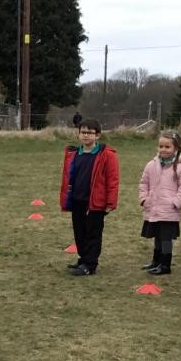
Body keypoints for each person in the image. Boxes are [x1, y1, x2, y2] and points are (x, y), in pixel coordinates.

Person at [58, 118, 120, 276]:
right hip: (77, 200)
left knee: (93, 233)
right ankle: (82, 259)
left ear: (97, 135)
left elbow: (113, 180)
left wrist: (111, 202)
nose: (86, 136)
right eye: (83, 132)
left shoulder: (106, 155)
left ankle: (90, 265)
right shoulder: (74, 154)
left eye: (90, 133)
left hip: (95, 202)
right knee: (79, 232)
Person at [137, 129, 181, 275]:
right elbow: (144, 183)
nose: (163, 149)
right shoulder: (151, 165)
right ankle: (156, 261)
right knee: (157, 236)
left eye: (167, 147)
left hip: (169, 210)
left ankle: (165, 265)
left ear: (176, 148)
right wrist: (144, 198)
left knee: (166, 238)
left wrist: (176, 202)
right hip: (153, 207)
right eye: (161, 146)